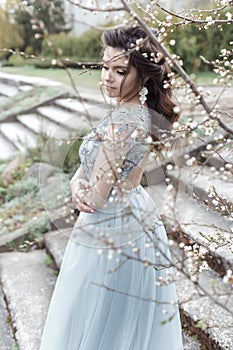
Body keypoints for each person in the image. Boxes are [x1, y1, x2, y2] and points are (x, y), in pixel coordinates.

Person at [40, 25, 183, 350]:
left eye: (120, 70)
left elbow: (97, 194)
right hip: (125, 216)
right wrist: (78, 183)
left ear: (144, 76)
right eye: (105, 67)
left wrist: (82, 192)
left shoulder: (125, 122)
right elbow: (86, 172)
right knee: (112, 324)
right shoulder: (128, 112)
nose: (107, 77)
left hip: (112, 226)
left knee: (97, 320)